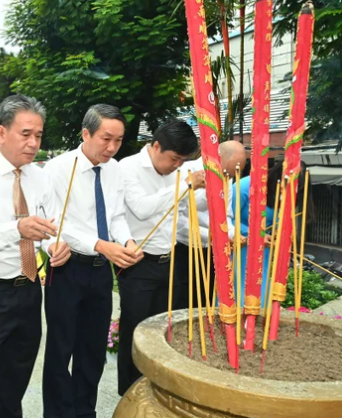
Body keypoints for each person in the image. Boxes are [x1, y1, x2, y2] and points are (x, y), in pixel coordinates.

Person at [0, 94, 71, 418]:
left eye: (38, 135)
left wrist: (53, 245)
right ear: (2, 133)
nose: (34, 143)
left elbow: (50, 225)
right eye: (26, 134)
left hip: (28, 291)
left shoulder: (40, 175)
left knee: (14, 384)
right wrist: (17, 228)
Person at [42, 104, 143, 418]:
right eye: (105, 139)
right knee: (61, 351)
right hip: (67, 269)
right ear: (86, 133)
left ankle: (84, 411)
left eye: (119, 140)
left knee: (93, 351)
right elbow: (56, 222)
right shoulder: (58, 169)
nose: (112, 148)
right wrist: (101, 244)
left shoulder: (115, 169)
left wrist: (126, 241)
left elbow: (116, 215)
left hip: (100, 272)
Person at [117, 118, 203, 396]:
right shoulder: (128, 168)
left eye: (183, 160)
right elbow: (142, 209)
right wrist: (184, 186)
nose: (178, 165)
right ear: (155, 146)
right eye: (175, 158)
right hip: (138, 264)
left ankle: (156, 391)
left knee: (163, 331)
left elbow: (179, 217)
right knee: (136, 331)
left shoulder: (178, 174)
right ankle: (130, 396)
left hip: (170, 260)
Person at [173, 140, 247, 310]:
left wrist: (233, 233)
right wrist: (215, 236)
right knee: (182, 303)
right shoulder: (185, 171)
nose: (231, 176)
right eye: (230, 170)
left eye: (236, 171)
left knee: (205, 302)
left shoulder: (227, 177)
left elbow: (225, 216)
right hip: (183, 248)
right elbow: (177, 218)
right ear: (218, 158)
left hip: (211, 251)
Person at [231, 160, 314, 309]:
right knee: (238, 291)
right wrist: (254, 234)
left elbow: (278, 219)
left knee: (261, 290)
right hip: (238, 247)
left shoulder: (288, 194)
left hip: (263, 250)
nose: (286, 191)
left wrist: (277, 232)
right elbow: (225, 219)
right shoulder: (246, 186)